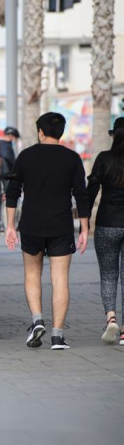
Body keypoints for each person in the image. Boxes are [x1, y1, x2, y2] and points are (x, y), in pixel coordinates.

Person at [5, 112, 90, 350]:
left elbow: (12, 192)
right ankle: (57, 336)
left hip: (31, 224)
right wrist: (84, 228)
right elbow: (81, 195)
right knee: (60, 279)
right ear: (60, 132)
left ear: (40, 132)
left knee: (32, 274)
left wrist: (10, 226)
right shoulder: (72, 158)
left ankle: (37, 320)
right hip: (61, 225)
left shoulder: (26, 156)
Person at [86, 117, 124, 345]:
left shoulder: (104, 158)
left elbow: (91, 189)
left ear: (114, 136)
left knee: (108, 274)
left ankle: (111, 319)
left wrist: (84, 218)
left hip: (107, 223)